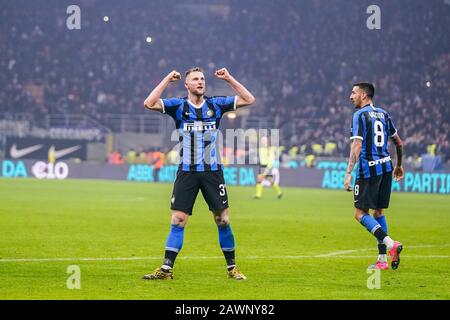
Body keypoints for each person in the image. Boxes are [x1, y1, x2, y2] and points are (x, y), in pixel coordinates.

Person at [142, 67, 255, 280]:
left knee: (222, 219)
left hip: (212, 172)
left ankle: (232, 268)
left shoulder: (216, 104)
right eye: (195, 79)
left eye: (202, 79)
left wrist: (229, 78)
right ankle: (166, 270)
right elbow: (149, 103)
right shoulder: (178, 106)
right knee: (178, 220)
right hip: (187, 172)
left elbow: (249, 99)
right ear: (187, 85)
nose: (200, 82)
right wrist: (167, 79)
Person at [344, 82, 404, 270]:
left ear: (363, 95)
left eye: (353, 93)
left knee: (360, 214)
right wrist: (400, 165)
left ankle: (390, 244)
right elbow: (398, 142)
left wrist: (348, 173)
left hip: (368, 170)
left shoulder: (359, 115)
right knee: (379, 212)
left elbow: (357, 146)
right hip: (386, 167)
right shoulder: (384, 114)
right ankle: (382, 260)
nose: (350, 96)